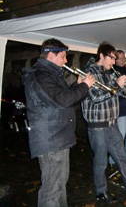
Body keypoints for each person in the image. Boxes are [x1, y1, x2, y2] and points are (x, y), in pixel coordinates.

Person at [22, 38, 95, 207]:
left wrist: (77, 86)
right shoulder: (40, 75)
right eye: (63, 56)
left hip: (58, 138)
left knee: (59, 185)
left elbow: (58, 100)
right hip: (51, 140)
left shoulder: (49, 75)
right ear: (50, 56)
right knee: (52, 191)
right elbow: (63, 100)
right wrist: (84, 86)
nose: (66, 60)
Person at [81, 42, 126, 204]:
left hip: (111, 124)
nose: (113, 61)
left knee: (122, 157)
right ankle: (101, 191)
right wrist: (115, 85)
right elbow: (95, 97)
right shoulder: (89, 73)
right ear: (101, 56)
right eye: (111, 58)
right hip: (97, 125)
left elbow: (120, 93)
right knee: (100, 161)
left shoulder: (109, 72)